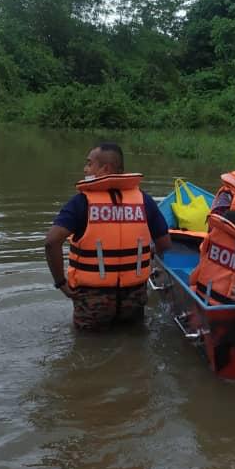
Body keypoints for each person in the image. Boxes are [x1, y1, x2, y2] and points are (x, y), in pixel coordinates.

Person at [44, 142, 172, 331]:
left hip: (93, 301)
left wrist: (61, 283)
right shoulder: (144, 201)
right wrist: (145, 255)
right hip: (133, 298)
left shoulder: (81, 202)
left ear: (105, 169)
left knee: (87, 346)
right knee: (134, 341)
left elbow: (51, 242)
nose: (85, 169)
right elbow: (165, 243)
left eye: (89, 164)